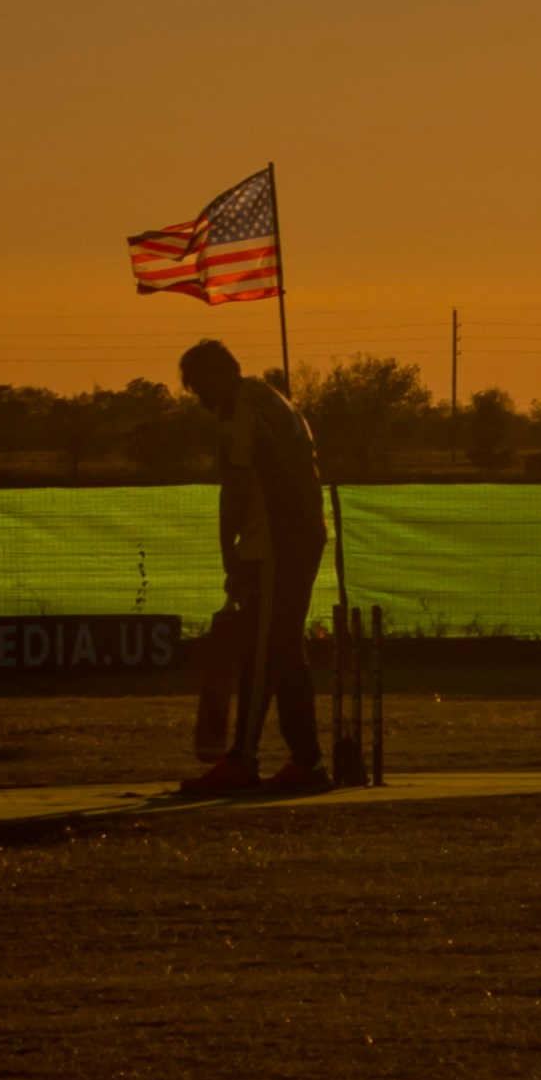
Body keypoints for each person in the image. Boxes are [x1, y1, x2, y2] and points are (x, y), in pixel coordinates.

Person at [177, 338, 329, 795]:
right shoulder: (273, 397)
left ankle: (245, 760)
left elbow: (237, 483)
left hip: (275, 545)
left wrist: (230, 551)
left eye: (197, 385)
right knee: (281, 651)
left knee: (264, 653)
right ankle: (305, 761)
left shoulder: (237, 408)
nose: (197, 397)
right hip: (304, 536)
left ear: (218, 374)